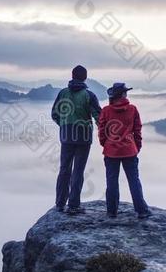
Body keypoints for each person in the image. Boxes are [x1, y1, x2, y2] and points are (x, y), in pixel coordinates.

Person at [51, 65, 101, 215]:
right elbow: (98, 116)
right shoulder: (89, 95)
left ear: (72, 75)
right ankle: (73, 204)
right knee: (78, 171)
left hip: (66, 137)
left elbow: (54, 114)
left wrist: (64, 124)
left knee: (64, 169)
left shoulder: (63, 93)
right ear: (85, 77)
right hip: (83, 137)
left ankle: (60, 203)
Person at [98, 82, 152, 219]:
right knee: (134, 180)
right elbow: (137, 131)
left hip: (111, 151)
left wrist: (106, 144)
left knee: (111, 181)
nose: (127, 94)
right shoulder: (133, 109)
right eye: (125, 92)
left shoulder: (106, 110)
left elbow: (102, 131)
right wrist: (136, 147)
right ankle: (141, 210)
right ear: (122, 94)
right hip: (129, 150)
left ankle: (111, 211)